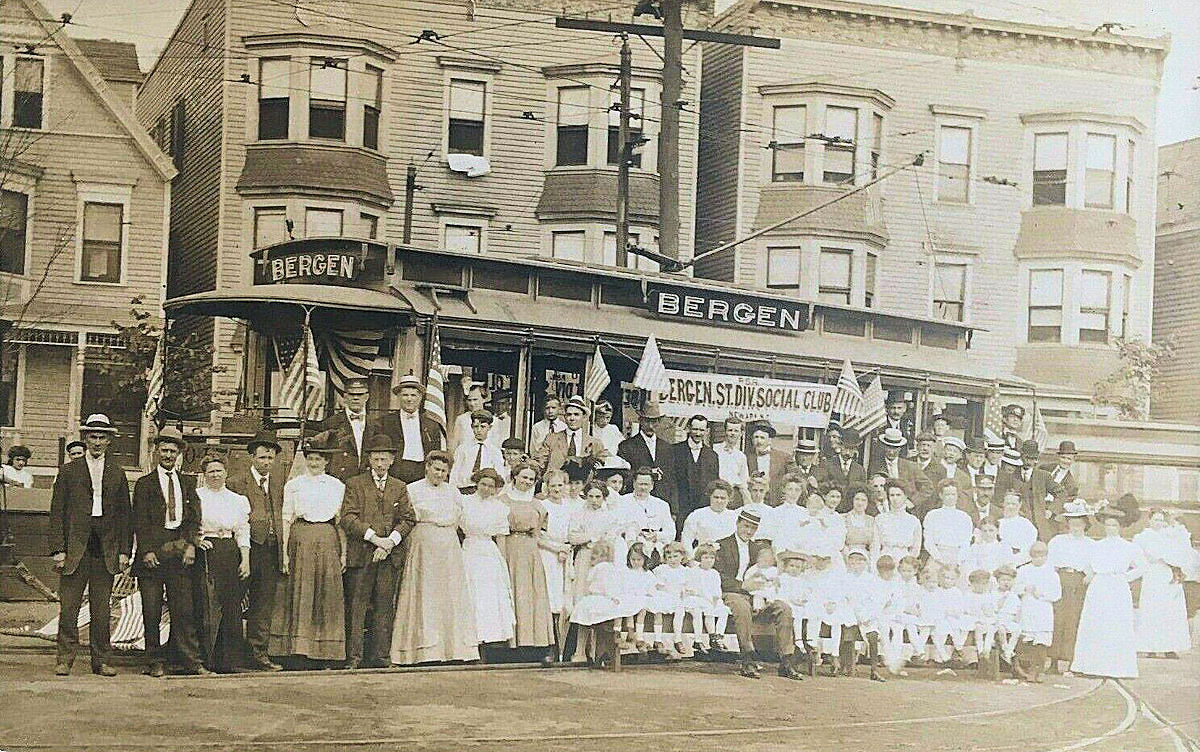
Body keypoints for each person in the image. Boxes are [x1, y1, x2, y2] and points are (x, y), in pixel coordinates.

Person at [49, 414, 131, 677]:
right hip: (76, 547)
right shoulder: (69, 471)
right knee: (70, 607)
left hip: (104, 548)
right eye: (93, 437)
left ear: (109, 441)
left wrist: (123, 552)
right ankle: (65, 659)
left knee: (101, 608)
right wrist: (58, 549)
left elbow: (124, 516)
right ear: (85, 439)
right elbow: (57, 512)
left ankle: (101, 660)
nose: (97, 442)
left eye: (102, 437)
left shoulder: (117, 472)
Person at [390, 451, 479, 664]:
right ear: (427, 467)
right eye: (436, 469)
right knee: (423, 592)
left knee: (449, 593)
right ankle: (421, 650)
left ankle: (452, 650)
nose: (439, 474)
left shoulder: (453, 492)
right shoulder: (412, 490)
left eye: (444, 471)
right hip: (423, 546)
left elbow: (459, 518)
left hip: (448, 548)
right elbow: (407, 518)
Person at [339, 434, 416, 668]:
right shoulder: (355, 484)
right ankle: (354, 658)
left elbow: (408, 518)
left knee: (384, 607)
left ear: (392, 460)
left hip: (388, 557)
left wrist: (390, 542)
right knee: (357, 607)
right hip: (362, 555)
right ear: (369, 460)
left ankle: (381, 657)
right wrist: (375, 539)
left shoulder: (399, 487)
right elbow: (348, 518)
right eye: (376, 459)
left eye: (384, 459)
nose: (380, 463)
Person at [132, 428, 204, 677]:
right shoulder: (144, 484)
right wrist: (147, 551)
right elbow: (139, 521)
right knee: (151, 611)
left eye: (173, 451)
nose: (168, 455)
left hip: (180, 550)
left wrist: (191, 545)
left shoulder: (187, 483)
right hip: (153, 551)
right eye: (164, 450)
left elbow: (194, 518)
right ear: (156, 451)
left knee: (183, 610)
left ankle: (189, 660)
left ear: (179, 455)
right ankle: (154, 661)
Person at [271, 435, 347, 666]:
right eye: (311, 458)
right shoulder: (294, 485)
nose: (314, 463)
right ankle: (296, 650)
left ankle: (325, 652)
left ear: (326, 461)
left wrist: (343, 553)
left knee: (326, 593)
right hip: (300, 539)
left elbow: (340, 522)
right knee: (299, 592)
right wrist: (284, 553)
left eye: (319, 459)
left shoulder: (337, 485)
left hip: (327, 539)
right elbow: (285, 519)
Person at [716, 509, 803, 680]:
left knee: (784, 608)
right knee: (741, 607)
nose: (748, 531)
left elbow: (768, 569)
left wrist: (768, 584)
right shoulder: (723, 545)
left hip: (758, 594)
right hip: (732, 591)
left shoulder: (757, 549)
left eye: (753, 528)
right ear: (738, 523)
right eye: (745, 526)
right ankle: (747, 658)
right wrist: (742, 585)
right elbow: (719, 575)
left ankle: (786, 661)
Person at [225, 430, 285, 671]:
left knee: (263, 604)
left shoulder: (279, 484)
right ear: (252, 457)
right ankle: (231, 655)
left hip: (270, 552)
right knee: (234, 601)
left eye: (270, 458)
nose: (266, 462)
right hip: (245, 552)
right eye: (262, 458)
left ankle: (258, 654)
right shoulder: (236, 483)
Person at [193, 454, 252, 673]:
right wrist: (198, 540)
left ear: (226, 472)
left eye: (219, 471)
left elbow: (243, 531)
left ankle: (229, 661)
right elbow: (189, 524)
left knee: (231, 606)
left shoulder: (238, 500)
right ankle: (206, 660)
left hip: (229, 551)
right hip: (206, 552)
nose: (215, 475)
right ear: (204, 474)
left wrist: (245, 559)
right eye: (211, 471)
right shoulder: (197, 496)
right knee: (206, 605)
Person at [1071, 510, 1143, 679]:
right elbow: (1086, 564)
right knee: (1096, 622)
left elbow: (1142, 566)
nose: (1110, 528)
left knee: (1116, 623)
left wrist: (1125, 577)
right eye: (1108, 525)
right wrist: (1090, 573)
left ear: (1120, 527)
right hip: (1099, 586)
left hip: (1117, 586)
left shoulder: (1128, 547)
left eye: (1114, 525)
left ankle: (1117, 667)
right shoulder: (1097, 545)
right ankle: (1091, 665)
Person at [459, 468, 516, 651]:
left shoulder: (500, 508)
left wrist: (503, 563)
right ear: (477, 483)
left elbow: (501, 537)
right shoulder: (465, 502)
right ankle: (468, 639)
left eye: (490, 486)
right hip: (469, 549)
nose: (486, 488)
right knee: (469, 590)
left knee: (488, 594)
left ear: (495, 488)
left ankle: (488, 638)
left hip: (489, 552)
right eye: (483, 484)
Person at [502, 462, 555, 659]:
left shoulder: (537, 505)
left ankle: (531, 643)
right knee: (512, 591)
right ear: (515, 476)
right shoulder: (502, 501)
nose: (527, 481)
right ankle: (508, 645)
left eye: (531, 479)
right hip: (508, 548)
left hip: (530, 550)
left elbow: (540, 532)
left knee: (530, 594)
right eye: (523, 477)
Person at [1133, 508, 1194, 657]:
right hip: (1152, 575)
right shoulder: (1143, 537)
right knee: (1152, 610)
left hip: (1167, 575)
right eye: (1155, 520)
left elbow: (1179, 554)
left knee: (1169, 611)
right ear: (1149, 520)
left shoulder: (1170, 536)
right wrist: (1155, 558)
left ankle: (1169, 647)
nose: (1158, 523)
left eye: (1161, 520)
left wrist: (1172, 562)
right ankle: (1150, 647)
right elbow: (1140, 557)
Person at [1046, 500, 1093, 675]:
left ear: (1085, 525)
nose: (1076, 527)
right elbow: (1050, 564)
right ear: (1068, 525)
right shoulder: (1058, 541)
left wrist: (1089, 574)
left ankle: (1072, 660)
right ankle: (1053, 661)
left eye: (1079, 524)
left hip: (1079, 582)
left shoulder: (1090, 544)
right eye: (1072, 523)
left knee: (1074, 620)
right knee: (1057, 620)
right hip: (1060, 580)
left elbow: (1093, 565)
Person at [569, 538, 634, 666]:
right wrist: (613, 597)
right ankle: (603, 650)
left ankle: (580, 651)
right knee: (608, 616)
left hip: (591, 599)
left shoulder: (594, 569)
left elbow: (590, 584)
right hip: (603, 599)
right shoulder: (609, 568)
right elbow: (608, 587)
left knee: (584, 622)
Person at [374, 373, 442, 483]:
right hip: (396, 471)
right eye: (405, 395)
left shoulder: (431, 425)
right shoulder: (386, 422)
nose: (409, 399)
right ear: (399, 397)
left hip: (422, 472)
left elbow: (435, 455)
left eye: (413, 395)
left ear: (420, 397)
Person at [537, 468, 575, 650]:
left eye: (560, 485)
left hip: (565, 556)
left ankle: (564, 647)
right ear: (547, 487)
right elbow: (538, 536)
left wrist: (566, 548)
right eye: (553, 485)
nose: (557, 489)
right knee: (550, 596)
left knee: (564, 597)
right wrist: (557, 548)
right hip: (547, 554)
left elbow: (573, 533)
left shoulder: (570, 507)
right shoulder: (542, 506)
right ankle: (549, 645)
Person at [1012, 541, 1061, 682]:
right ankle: (1023, 669)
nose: (1038, 558)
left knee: (1041, 641)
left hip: (1043, 609)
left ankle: (1037, 670)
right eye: (1035, 555)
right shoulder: (1023, 570)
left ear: (1046, 556)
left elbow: (1057, 594)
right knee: (1026, 637)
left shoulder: (1052, 573)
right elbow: (1015, 588)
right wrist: (1024, 589)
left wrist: (1040, 593)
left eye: (1042, 555)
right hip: (1027, 607)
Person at [994, 440, 1060, 541]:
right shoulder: (1010, 475)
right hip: (1017, 525)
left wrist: (1051, 510)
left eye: (1033, 459)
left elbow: (1061, 493)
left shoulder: (1044, 476)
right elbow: (998, 499)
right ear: (1021, 456)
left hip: (1040, 527)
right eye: (1027, 458)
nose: (1029, 462)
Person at [664, 414, 720, 526]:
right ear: (688, 428)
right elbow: (670, 482)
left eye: (701, 430)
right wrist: (673, 509)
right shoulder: (675, 450)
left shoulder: (712, 455)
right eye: (695, 429)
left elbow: (714, 484)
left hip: (703, 509)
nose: (698, 433)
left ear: (706, 431)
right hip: (680, 508)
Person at [318, 377, 376, 481]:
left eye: (360, 394)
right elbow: (324, 454)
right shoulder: (332, 423)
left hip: (367, 479)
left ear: (367, 396)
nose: (355, 398)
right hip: (340, 479)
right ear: (345, 397)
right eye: (351, 394)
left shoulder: (376, 424)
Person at [616, 467, 675, 565]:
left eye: (646, 484)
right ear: (634, 484)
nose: (643, 487)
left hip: (656, 547)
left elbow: (671, 532)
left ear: (652, 485)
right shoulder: (622, 502)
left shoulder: (661, 504)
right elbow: (616, 528)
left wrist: (656, 536)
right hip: (630, 547)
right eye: (640, 484)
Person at [683, 543, 730, 653]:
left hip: (710, 599)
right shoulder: (694, 571)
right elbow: (692, 588)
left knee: (723, 611)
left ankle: (717, 637)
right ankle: (698, 640)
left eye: (712, 558)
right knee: (703, 610)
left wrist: (715, 598)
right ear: (700, 558)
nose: (709, 560)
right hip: (695, 598)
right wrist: (709, 599)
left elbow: (717, 590)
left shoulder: (714, 573)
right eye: (705, 558)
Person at [542, 396, 609, 472]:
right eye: (569, 414)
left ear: (584, 417)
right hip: (557, 482)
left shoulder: (595, 443)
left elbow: (601, 467)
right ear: (564, 417)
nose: (572, 418)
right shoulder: (551, 439)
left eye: (576, 414)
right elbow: (540, 463)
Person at [869, 428, 932, 506]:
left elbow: (928, 487)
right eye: (889, 447)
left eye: (895, 448)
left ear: (900, 448)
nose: (891, 452)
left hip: (907, 510)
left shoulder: (911, 466)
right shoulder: (876, 466)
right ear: (883, 446)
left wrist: (913, 501)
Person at [450, 409, 505, 491]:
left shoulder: (495, 452)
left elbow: (500, 475)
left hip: (485, 491)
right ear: (471, 426)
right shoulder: (463, 448)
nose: (479, 430)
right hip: (464, 490)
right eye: (476, 426)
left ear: (489, 427)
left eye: (483, 427)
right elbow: (454, 473)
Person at [923, 479, 973, 567]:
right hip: (937, 557)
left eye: (953, 494)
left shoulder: (964, 517)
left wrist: (958, 561)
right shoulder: (932, 515)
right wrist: (939, 559)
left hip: (957, 558)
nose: (950, 497)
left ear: (957, 495)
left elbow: (966, 542)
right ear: (941, 495)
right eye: (947, 494)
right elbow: (928, 541)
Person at [680, 479, 738, 555]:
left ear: (729, 499)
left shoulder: (735, 516)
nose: (719, 501)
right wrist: (690, 559)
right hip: (703, 558)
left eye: (723, 498)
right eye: (716, 497)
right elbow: (686, 539)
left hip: (728, 559)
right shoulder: (697, 515)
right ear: (710, 496)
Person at [653, 541, 691, 656]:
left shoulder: (684, 571)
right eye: (669, 557)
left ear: (682, 556)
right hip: (663, 596)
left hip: (676, 598)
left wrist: (685, 595)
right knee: (657, 609)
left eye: (675, 556)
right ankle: (657, 639)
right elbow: (658, 587)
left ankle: (677, 639)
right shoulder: (662, 569)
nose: (672, 560)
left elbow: (685, 588)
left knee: (680, 609)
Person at [617, 402, 665, 486]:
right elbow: (623, 474)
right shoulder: (626, 446)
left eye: (653, 422)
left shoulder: (667, 447)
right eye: (647, 421)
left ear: (659, 422)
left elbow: (672, 480)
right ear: (640, 420)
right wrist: (648, 472)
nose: (650, 426)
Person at [873, 479, 922, 563]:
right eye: (892, 495)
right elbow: (875, 546)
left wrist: (907, 564)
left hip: (905, 562)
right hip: (885, 561)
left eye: (898, 495)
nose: (895, 498)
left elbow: (915, 549)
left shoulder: (913, 521)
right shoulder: (880, 519)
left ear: (905, 496)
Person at [756, 474, 809, 551]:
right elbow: (766, 537)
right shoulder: (774, 512)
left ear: (801, 492)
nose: (793, 493)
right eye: (790, 489)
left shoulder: (805, 513)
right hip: (778, 552)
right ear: (784, 490)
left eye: (797, 490)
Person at [816, 427, 867, 504]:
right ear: (840, 445)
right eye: (846, 447)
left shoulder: (860, 470)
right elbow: (821, 487)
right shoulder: (827, 465)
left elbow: (862, 492)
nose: (848, 452)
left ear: (856, 449)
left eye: (852, 448)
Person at [745, 422, 791, 503]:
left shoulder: (784, 457)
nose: (758, 441)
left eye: (762, 438)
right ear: (752, 439)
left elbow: (796, 478)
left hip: (775, 502)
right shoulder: (745, 457)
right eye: (756, 437)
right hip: (753, 501)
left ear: (769, 440)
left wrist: (788, 494)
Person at [712, 417, 750, 503]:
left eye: (736, 431)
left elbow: (744, 482)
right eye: (730, 430)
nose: (733, 433)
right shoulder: (714, 450)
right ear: (725, 431)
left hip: (733, 496)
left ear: (741, 433)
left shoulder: (741, 456)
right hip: (716, 494)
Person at [998, 491, 1038, 565]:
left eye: (1014, 504)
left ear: (1020, 505)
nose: (1010, 507)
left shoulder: (1027, 526)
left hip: (1020, 565)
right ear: (1003, 504)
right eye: (1008, 503)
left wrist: (1012, 564)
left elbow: (1027, 552)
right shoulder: (998, 524)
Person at [929, 436, 972, 502]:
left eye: (955, 451)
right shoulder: (931, 468)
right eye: (949, 450)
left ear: (960, 455)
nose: (951, 453)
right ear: (943, 451)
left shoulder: (964, 477)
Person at [450, 381, 488, 454]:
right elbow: (454, 444)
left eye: (475, 399)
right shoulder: (461, 419)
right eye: (469, 400)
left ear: (484, 399)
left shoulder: (493, 420)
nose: (472, 404)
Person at [842, 487, 877, 561]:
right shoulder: (843, 518)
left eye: (863, 500)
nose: (860, 503)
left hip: (865, 558)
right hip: (846, 557)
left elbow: (874, 545)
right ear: (852, 500)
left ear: (868, 502)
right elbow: (840, 543)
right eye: (857, 499)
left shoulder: (872, 521)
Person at [591, 401, 627, 468]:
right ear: (595, 415)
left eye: (608, 418)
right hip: (596, 462)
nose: (605, 421)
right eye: (601, 417)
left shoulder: (613, 429)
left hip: (612, 462)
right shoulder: (590, 428)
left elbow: (623, 445)